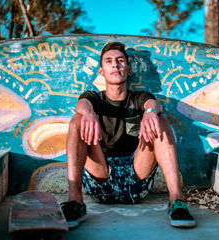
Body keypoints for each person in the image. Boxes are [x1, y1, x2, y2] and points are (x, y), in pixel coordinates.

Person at [60, 42, 195, 229]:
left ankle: (177, 201)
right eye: (109, 61)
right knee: (78, 119)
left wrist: (150, 112)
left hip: (136, 178)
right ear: (101, 71)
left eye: (120, 60)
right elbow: (81, 104)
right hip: (101, 178)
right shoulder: (93, 98)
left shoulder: (138, 97)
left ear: (128, 69)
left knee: (159, 118)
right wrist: (88, 113)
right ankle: (75, 201)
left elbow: (153, 104)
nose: (115, 65)